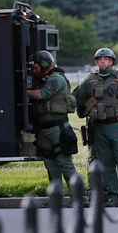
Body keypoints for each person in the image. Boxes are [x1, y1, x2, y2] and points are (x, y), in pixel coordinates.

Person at [73, 48, 118, 207]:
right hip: (98, 128)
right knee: (106, 164)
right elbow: (75, 97)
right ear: (96, 62)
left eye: (106, 59)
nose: (102, 62)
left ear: (111, 61)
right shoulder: (89, 80)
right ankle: (114, 197)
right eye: (99, 59)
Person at [27, 50, 79, 189]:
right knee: (50, 165)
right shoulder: (44, 79)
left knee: (65, 164)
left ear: (44, 64)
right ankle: (57, 198)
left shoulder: (57, 79)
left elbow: (42, 94)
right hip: (44, 130)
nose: (34, 70)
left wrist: (21, 91)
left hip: (58, 129)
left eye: (36, 67)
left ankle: (79, 197)